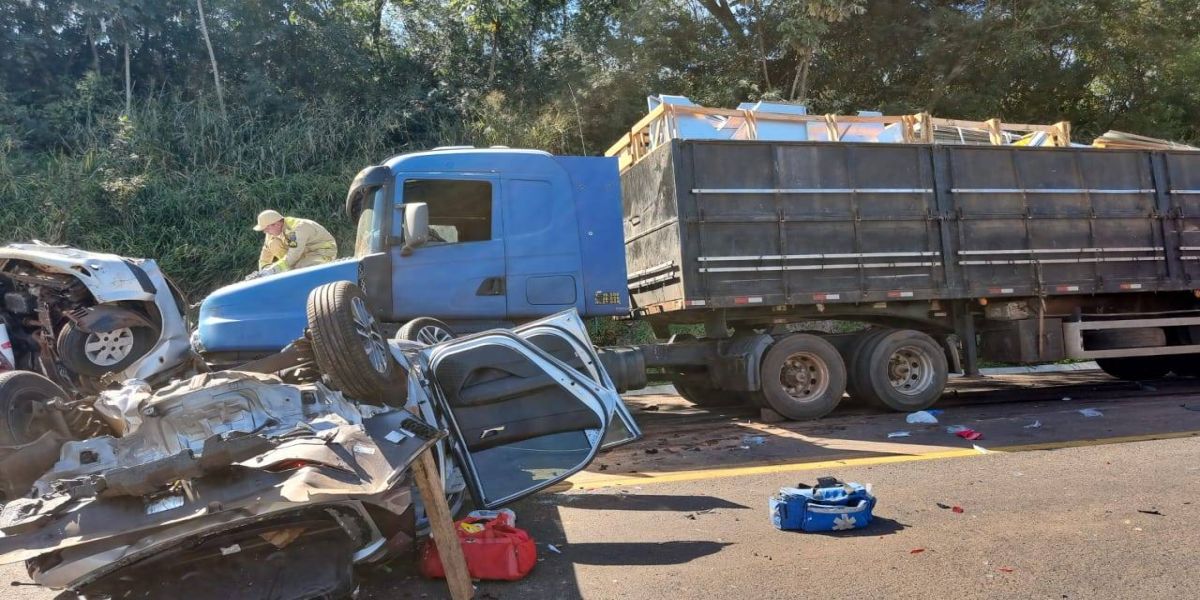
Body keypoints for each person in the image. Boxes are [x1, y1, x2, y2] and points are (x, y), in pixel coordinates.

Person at [247, 210, 338, 279]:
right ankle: (290, 269)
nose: (264, 232)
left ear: (277, 224)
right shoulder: (271, 233)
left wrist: (273, 270)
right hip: (301, 254)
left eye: (266, 229)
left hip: (322, 251)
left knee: (300, 270)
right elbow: (265, 255)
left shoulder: (299, 228)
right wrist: (263, 272)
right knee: (274, 244)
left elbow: (294, 255)